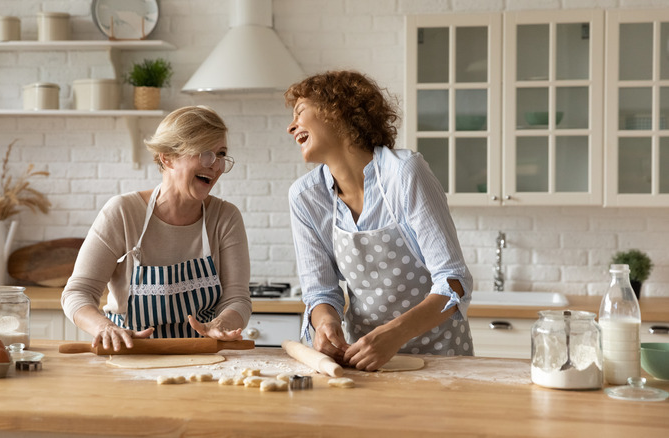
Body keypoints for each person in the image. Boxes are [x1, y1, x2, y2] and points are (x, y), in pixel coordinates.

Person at [285, 71, 474, 371]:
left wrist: (396, 334)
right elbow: (321, 292)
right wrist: (326, 324)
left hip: (442, 361)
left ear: (338, 112)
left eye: (299, 112)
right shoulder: (306, 197)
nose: (290, 126)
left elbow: (454, 282)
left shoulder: (405, 173)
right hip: (366, 364)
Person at [61, 105, 251, 351]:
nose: (215, 166)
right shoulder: (123, 212)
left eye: (221, 154)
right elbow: (77, 293)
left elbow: (238, 298)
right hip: (131, 355)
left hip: (202, 359)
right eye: (205, 154)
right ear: (167, 157)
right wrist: (105, 328)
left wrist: (222, 324)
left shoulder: (225, 218)